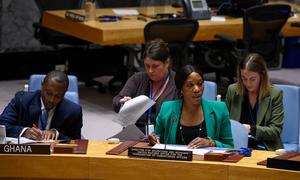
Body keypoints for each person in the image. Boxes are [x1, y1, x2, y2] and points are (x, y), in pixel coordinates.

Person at [149, 65, 233, 148]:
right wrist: (154, 140)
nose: (197, 89)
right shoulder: (167, 109)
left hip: (206, 161)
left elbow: (230, 147)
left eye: (200, 84)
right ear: (181, 89)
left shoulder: (220, 109)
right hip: (176, 160)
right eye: (190, 85)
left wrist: (211, 143)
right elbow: (158, 141)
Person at [112, 38, 178, 134]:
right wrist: (122, 103)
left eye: (155, 66)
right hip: (134, 134)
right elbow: (116, 101)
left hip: (163, 135)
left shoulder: (177, 82)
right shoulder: (138, 78)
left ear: (167, 63)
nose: (150, 71)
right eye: (147, 66)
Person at [0, 70, 83, 140]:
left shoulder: (74, 111)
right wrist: (25, 132)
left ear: (65, 92)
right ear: (42, 85)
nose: (52, 100)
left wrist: (56, 134)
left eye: (58, 96)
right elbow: (2, 125)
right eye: (49, 93)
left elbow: (76, 140)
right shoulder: (22, 100)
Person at [226, 53, 284, 151]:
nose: (248, 84)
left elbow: (275, 131)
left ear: (262, 75)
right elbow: (224, 122)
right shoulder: (232, 90)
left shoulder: (275, 94)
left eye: (252, 79)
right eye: (244, 79)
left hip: (264, 146)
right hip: (237, 146)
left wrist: (252, 129)